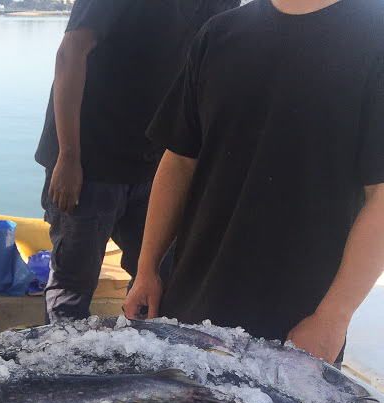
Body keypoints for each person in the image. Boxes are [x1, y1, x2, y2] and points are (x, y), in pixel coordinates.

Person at [123, 0, 384, 366]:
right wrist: (147, 268)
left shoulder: (376, 34)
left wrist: (333, 317)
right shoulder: (220, 33)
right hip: (187, 310)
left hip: (297, 332)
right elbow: (180, 159)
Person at [34, 0, 237, 323]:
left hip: (159, 166)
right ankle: (63, 372)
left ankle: (136, 369)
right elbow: (70, 52)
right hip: (89, 165)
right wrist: (68, 156)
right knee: (71, 290)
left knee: (160, 285)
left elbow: (211, 75)